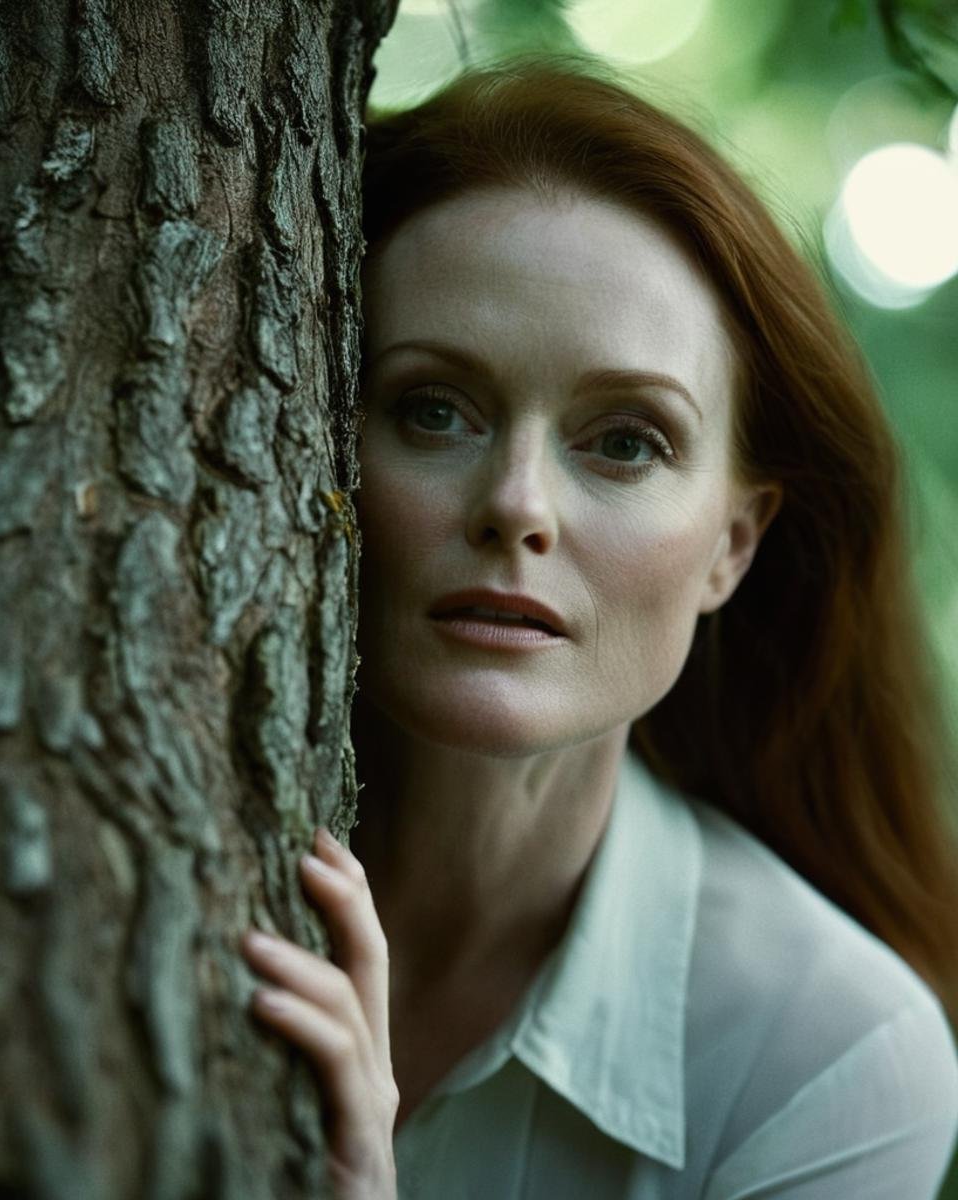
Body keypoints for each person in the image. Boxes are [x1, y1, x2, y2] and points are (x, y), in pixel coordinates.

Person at [241, 58, 958, 1198]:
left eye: (625, 440)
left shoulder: (830, 1055)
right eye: (433, 409)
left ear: (732, 544)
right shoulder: (134, 846)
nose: (517, 504)